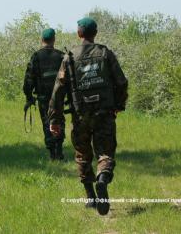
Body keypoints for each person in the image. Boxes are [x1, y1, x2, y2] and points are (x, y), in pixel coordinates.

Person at [48, 17, 128, 215]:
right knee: (105, 153)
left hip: (80, 116)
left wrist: (55, 119)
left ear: (79, 33)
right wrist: (118, 105)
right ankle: (102, 178)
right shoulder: (105, 53)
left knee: (83, 155)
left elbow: (58, 91)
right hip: (104, 114)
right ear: (95, 33)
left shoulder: (69, 58)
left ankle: (91, 197)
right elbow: (122, 82)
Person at [23, 28, 65, 160]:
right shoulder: (61, 56)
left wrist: (29, 98)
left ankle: (52, 153)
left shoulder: (36, 57)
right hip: (59, 98)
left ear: (42, 40)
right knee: (59, 120)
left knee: (47, 123)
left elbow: (28, 81)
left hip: (43, 98)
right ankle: (59, 151)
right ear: (54, 40)